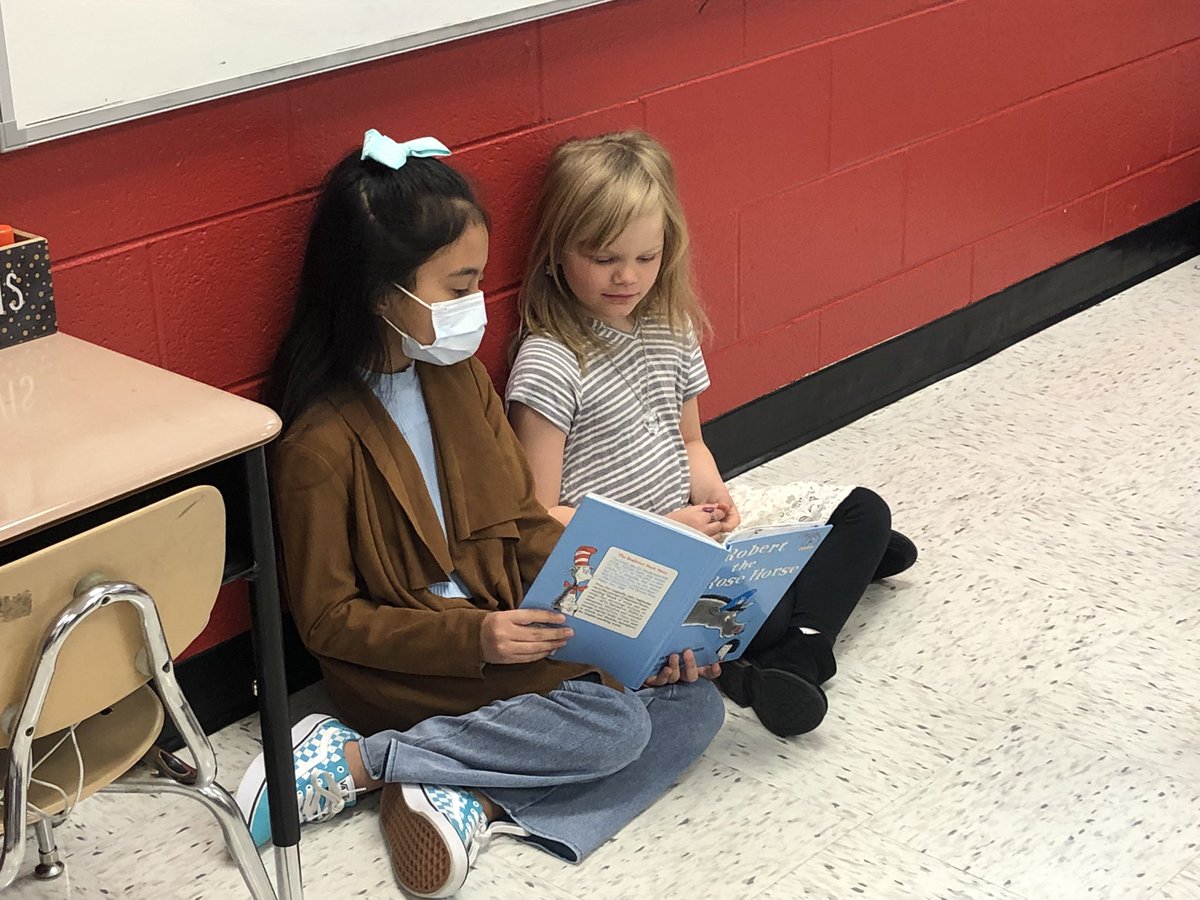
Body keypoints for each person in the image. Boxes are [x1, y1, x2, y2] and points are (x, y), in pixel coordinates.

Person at [234, 129, 724, 899]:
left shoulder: (453, 379)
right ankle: (365, 758)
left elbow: (524, 525)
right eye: (457, 288)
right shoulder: (318, 441)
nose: (475, 308)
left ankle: (474, 796)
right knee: (618, 726)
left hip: (515, 620)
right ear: (380, 293)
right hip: (419, 662)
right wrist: (479, 637)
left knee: (693, 702)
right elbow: (328, 621)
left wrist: (630, 618)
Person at [505, 130, 918, 740]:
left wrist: (718, 503)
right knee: (767, 618)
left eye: (646, 258)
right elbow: (539, 514)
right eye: (603, 258)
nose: (627, 277)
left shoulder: (669, 328)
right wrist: (669, 529)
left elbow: (691, 442)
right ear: (555, 252)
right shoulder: (549, 361)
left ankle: (813, 594)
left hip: (695, 532)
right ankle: (802, 649)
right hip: (626, 560)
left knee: (863, 510)